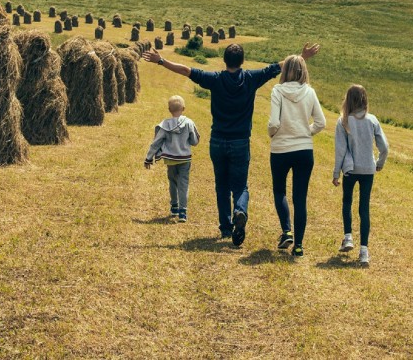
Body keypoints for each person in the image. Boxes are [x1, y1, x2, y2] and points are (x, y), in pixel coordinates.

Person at [142, 42, 320, 247]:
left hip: (218, 140)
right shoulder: (251, 78)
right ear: (242, 61)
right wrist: (302, 57)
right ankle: (240, 211)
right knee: (241, 186)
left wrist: (161, 61)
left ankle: (226, 227)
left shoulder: (215, 79)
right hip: (240, 142)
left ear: (225, 60)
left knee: (222, 185)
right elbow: (278, 67)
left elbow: (186, 70)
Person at [267, 55, 326, 258]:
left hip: (281, 148)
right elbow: (321, 122)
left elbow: (274, 122)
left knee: (279, 191)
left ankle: (287, 230)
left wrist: (272, 134)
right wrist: (305, 132)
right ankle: (299, 246)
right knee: (300, 198)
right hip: (304, 150)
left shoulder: (277, 91)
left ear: (285, 71)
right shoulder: (310, 92)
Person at [332, 84, 389, 267]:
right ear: (365, 99)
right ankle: (364, 251)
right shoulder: (372, 120)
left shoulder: (343, 121)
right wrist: (379, 163)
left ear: (347, 100)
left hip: (350, 169)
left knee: (347, 201)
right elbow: (384, 147)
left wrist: (336, 173)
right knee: (364, 208)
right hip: (368, 168)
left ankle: (348, 237)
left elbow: (340, 150)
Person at [144, 95, 201, 223]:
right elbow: (194, 141)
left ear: (169, 109)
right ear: (184, 108)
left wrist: (149, 158)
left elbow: (156, 142)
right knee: (183, 184)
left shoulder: (165, 125)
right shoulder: (189, 123)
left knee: (172, 182)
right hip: (185, 159)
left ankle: (174, 207)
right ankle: (183, 212)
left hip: (170, 160)